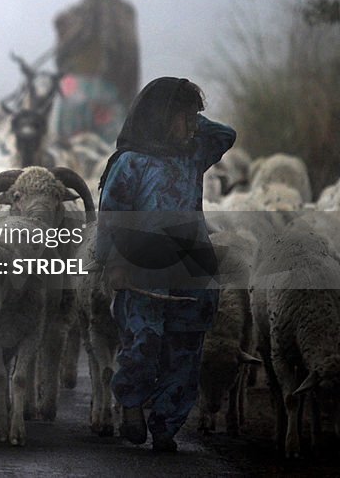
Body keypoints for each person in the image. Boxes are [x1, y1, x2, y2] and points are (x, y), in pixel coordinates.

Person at [94, 77, 236, 452]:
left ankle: (166, 425)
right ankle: (131, 404)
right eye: (183, 117)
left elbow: (227, 134)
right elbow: (112, 216)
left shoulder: (193, 154)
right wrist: (113, 263)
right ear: (159, 116)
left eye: (194, 118)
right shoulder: (130, 163)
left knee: (185, 349)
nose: (191, 125)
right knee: (144, 340)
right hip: (143, 269)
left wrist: (191, 114)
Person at [53, 0, 139, 144]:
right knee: (69, 152)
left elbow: (129, 56)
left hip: (109, 92)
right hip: (74, 93)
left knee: (109, 154)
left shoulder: (123, 13)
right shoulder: (72, 15)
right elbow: (62, 53)